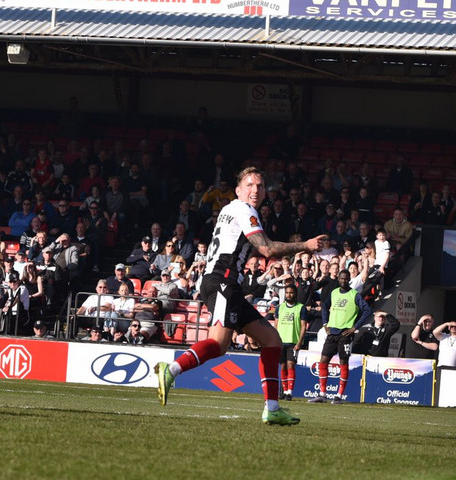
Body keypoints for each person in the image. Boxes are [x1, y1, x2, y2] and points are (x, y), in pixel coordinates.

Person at [153, 166, 328, 425]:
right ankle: (172, 369)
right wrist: (306, 245)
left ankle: (272, 407)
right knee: (219, 344)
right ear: (238, 190)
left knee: (272, 340)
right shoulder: (244, 210)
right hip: (223, 280)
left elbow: (250, 247)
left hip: (224, 281)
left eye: (259, 185)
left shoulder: (230, 210)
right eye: (249, 185)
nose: (255, 190)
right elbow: (266, 249)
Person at [313, 270, 370, 402]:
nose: (343, 281)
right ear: (338, 279)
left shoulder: (354, 294)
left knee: (343, 362)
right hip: (332, 333)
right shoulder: (334, 293)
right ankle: (322, 394)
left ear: (349, 279)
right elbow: (324, 306)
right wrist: (325, 323)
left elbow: (367, 311)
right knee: (323, 360)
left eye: (346, 279)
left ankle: (339, 395)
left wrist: (355, 327)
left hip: (345, 334)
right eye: (341, 279)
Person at [274, 282, 310, 401]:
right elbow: (276, 324)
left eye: (291, 293)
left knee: (290, 365)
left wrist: (299, 342)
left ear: (295, 294)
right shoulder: (280, 308)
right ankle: (283, 391)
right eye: (287, 293)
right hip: (281, 341)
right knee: (283, 366)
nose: (289, 295)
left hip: (293, 342)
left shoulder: (301, 308)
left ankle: (289, 392)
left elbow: (303, 326)